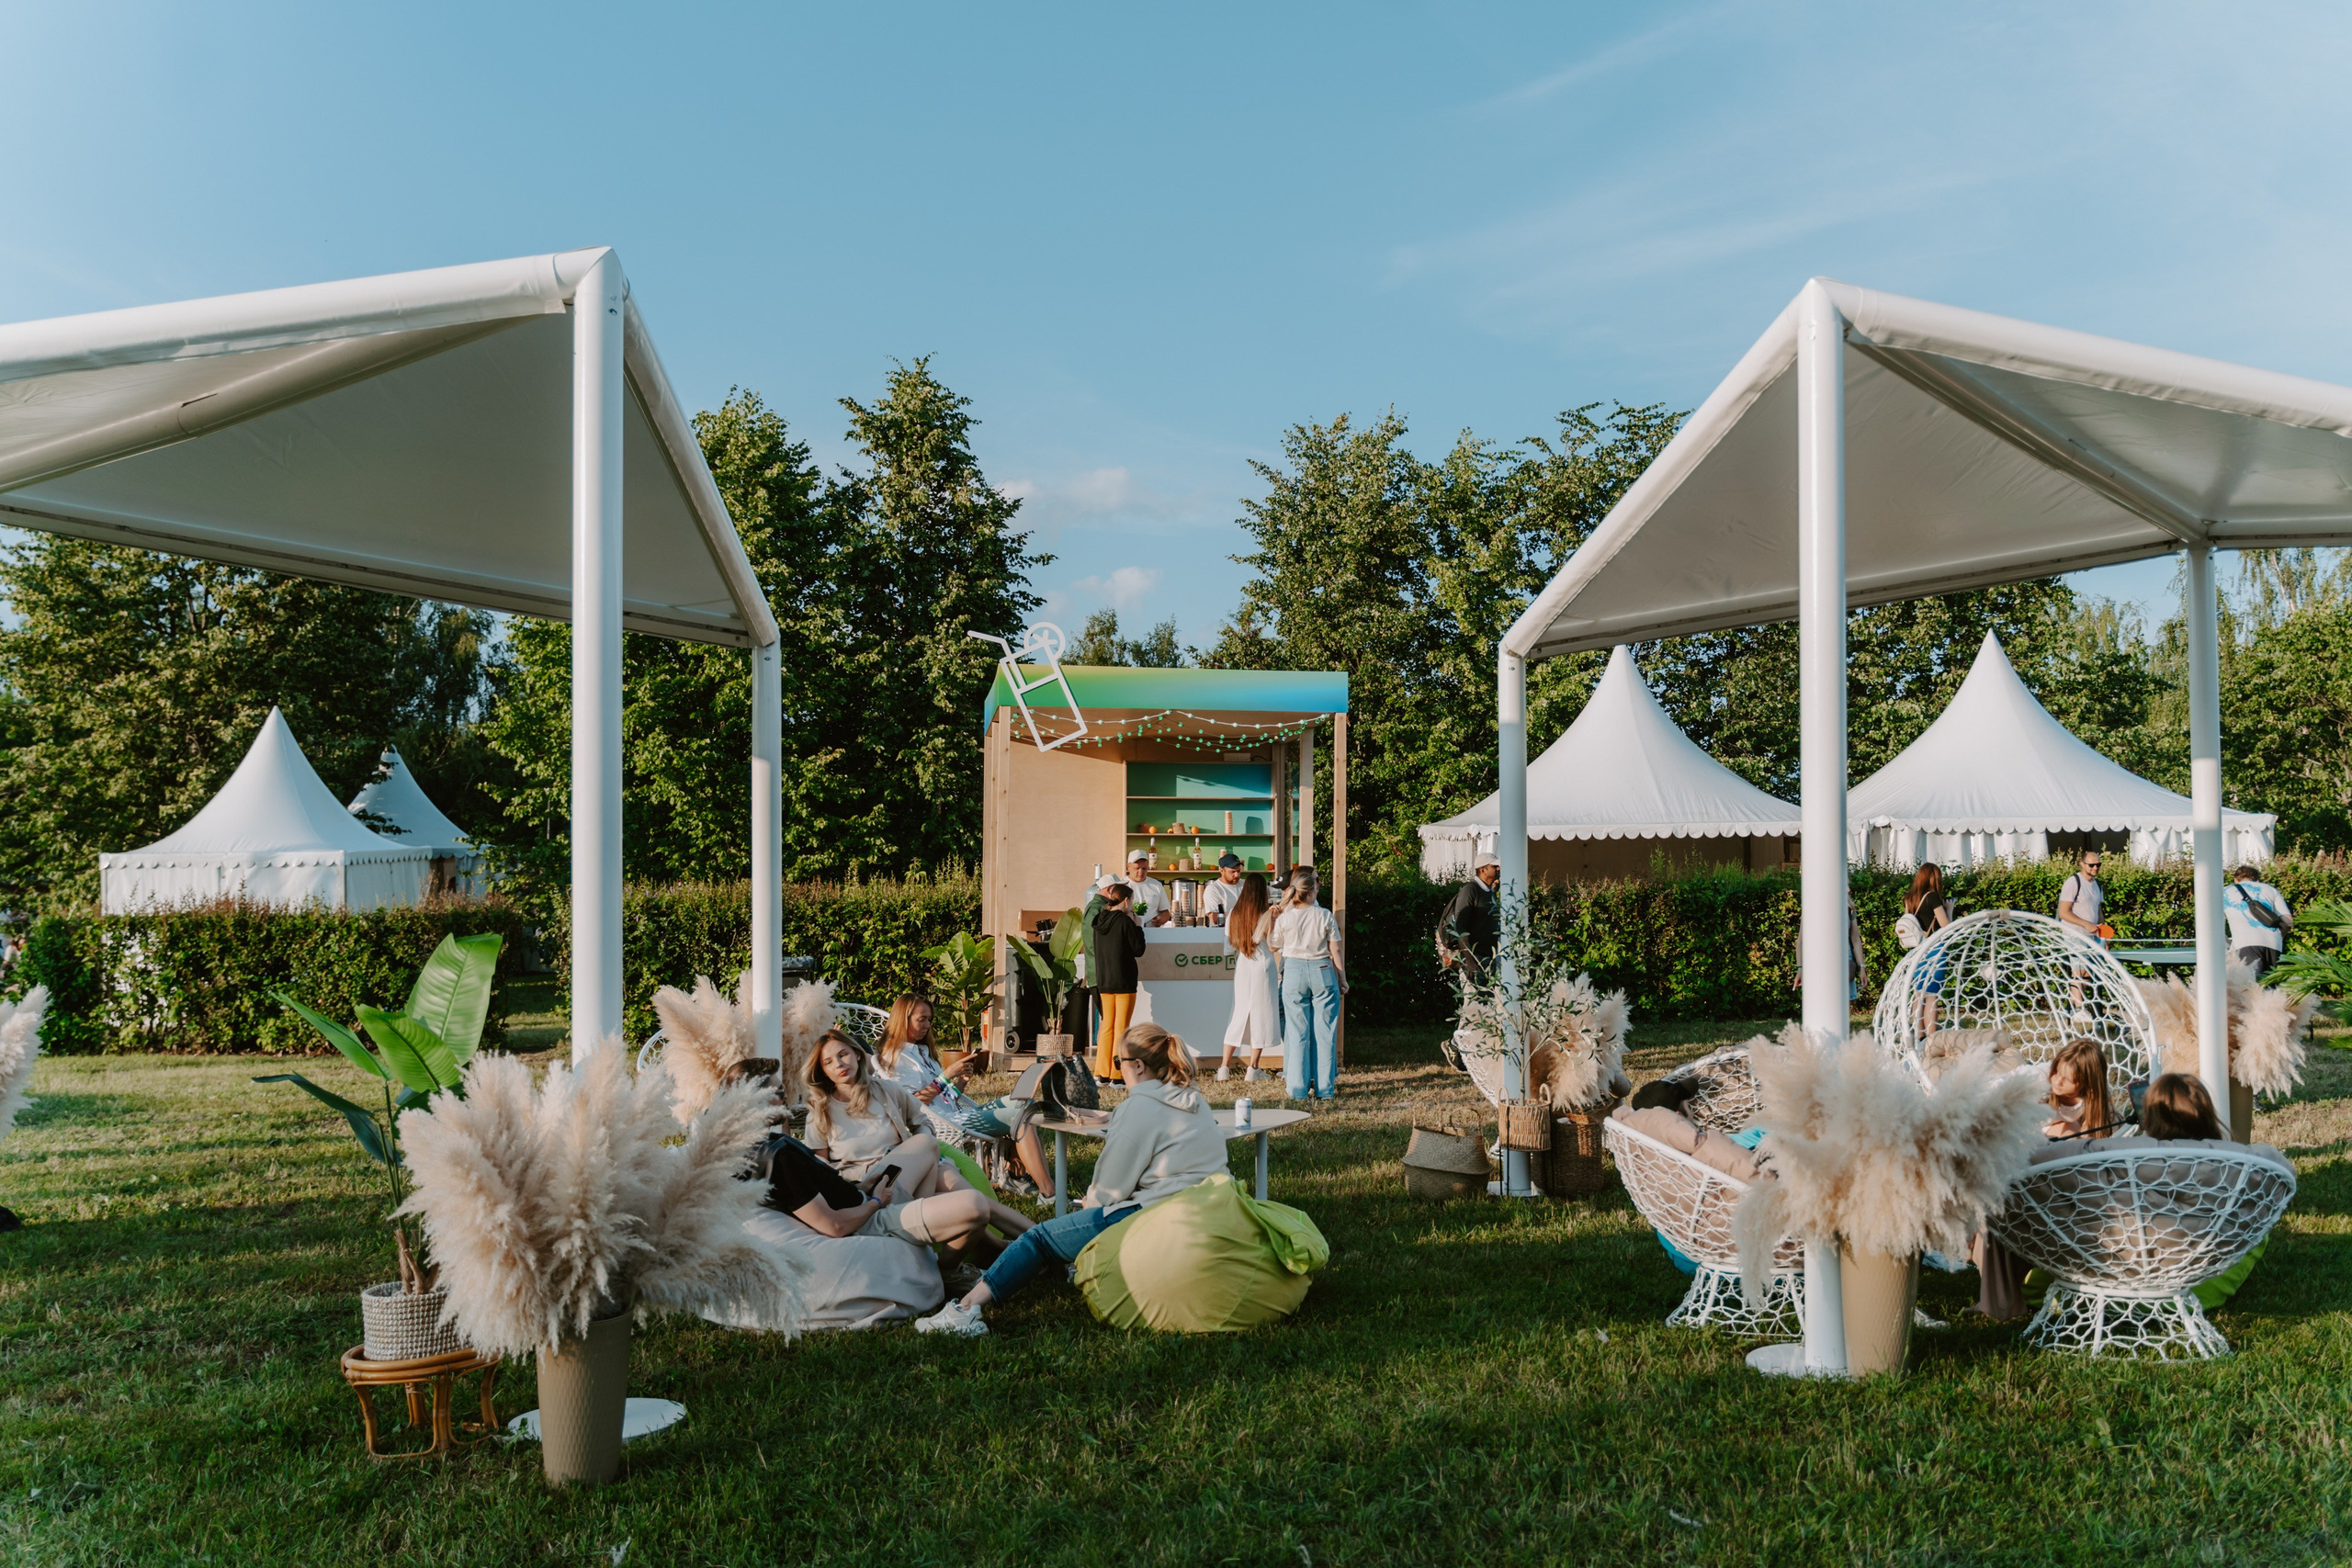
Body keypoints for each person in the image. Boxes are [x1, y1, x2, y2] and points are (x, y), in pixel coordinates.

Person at [914, 1023, 1227, 1337]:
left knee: (1037, 1240)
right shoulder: (1194, 1100)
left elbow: (1108, 1192)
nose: (1119, 1069)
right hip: (1212, 1208)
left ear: (1138, 1066)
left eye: (1118, 1062)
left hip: (1155, 1212)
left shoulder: (1139, 1107)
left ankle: (966, 1309)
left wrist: (1091, 1203)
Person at [732, 1059, 1037, 1307]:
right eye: (778, 1090)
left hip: (863, 1192)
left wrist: (864, 1187)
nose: (785, 1095)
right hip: (870, 1219)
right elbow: (834, 1226)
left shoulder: (766, 1145)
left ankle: (1030, 1243)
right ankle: (951, 1271)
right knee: (976, 1205)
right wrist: (877, 1201)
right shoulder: (778, 1156)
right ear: (754, 1099)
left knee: (927, 1145)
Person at [873, 994, 1060, 1200]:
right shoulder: (897, 1058)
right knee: (1019, 1116)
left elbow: (943, 1099)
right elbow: (912, 1104)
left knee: (1025, 1103)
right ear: (903, 1019)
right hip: (947, 1123)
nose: (927, 1025)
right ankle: (1049, 1193)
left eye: (929, 1019)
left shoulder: (922, 1051)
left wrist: (961, 1082)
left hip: (958, 1113)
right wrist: (946, 1076)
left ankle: (1015, 1175)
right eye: (922, 1019)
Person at [802, 1031, 961, 1198]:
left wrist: (923, 1151)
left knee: (969, 1197)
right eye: (828, 1062)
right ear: (823, 1071)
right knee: (965, 1203)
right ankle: (916, 1207)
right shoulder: (819, 1113)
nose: (839, 1064)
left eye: (843, 1055)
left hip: (904, 1166)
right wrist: (856, 1179)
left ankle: (918, 1206)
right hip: (864, 1183)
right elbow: (819, 1167)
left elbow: (922, 1122)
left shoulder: (886, 1090)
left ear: (857, 1054)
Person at [1266, 865, 1346, 1101]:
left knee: (1297, 1032)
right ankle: (1325, 1090)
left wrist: (1272, 922)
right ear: (1311, 892)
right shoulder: (1324, 915)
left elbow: (1272, 946)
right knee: (1325, 1033)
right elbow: (1335, 950)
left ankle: (1297, 1090)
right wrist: (1342, 978)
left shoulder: (1285, 917)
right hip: (1322, 970)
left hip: (1293, 971)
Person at [1216, 873, 1275, 1083]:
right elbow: (1274, 944)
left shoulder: (1234, 913)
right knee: (1261, 1015)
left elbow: (1228, 949)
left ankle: (1224, 1068)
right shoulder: (1267, 913)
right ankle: (1253, 1069)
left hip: (1243, 965)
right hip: (1263, 965)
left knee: (1238, 1014)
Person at [1091, 882, 1148, 1079]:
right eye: (1131, 901)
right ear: (1125, 900)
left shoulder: (1099, 921)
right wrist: (1138, 927)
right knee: (1121, 1028)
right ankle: (1117, 1074)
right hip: (1124, 981)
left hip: (1104, 981)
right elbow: (1138, 949)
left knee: (1107, 1028)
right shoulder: (1125, 922)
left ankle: (1101, 1072)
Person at [1901, 863, 1957, 1036]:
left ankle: (1919, 1036)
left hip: (1915, 952)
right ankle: (1931, 1038)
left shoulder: (1909, 898)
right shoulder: (1932, 897)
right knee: (1932, 995)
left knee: (1919, 994)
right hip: (1933, 950)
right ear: (1934, 878)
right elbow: (1946, 927)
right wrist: (1950, 910)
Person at [2222, 864, 2295, 978]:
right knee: (2268, 985)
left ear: (2236, 880)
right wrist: (2280, 936)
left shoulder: (2225, 891)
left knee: (2249, 985)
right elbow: (2288, 921)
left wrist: (2228, 945)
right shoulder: (2270, 889)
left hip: (2244, 944)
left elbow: (2214, 927)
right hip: (2273, 944)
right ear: (2257, 880)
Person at [2042, 1036, 2120, 1142]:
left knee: (2074, 1134)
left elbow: (2105, 1125)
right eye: (2056, 1072)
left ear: (2087, 1083)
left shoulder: (2092, 1097)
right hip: (2024, 1130)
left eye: (2068, 1080)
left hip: (2049, 1131)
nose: (2057, 1082)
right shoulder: (2039, 1082)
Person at [1436, 853, 1501, 976]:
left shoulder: (1489, 891)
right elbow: (1461, 928)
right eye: (1494, 866)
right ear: (1483, 870)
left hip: (1488, 959)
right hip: (1473, 960)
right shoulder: (1470, 890)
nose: (1499, 869)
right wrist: (1469, 960)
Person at [1123, 849, 1173, 927]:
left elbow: (1165, 912)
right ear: (1128, 866)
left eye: (1144, 868)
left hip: (1153, 932)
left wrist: (1160, 919)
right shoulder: (1121, 885)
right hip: (1128, 931)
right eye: (1137, 868)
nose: (1141, 872)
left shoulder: (1156, 885)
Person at [1201, 853, 1247, 924]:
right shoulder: (1213, 889)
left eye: (1238, 871)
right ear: (1222, 871)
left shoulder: (1246, 885)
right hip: (1224, 930)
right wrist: (1245, 916)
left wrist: (1227, 915)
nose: (1237, 875)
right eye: (1233, 872)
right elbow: (1215, 919)